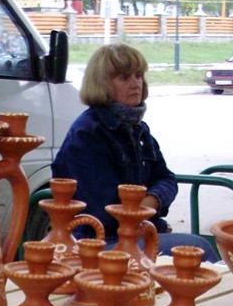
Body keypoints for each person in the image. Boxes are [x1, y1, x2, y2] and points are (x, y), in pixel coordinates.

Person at [52, 43, 220, 262]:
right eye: (124, 78)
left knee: (200, 249)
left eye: (139, 75)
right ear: (102, 83)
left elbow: (167, 179)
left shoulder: (138, 129)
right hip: (99, 242)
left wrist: (150, 202)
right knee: (198, 248)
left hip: (140, 232)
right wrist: (143, 211)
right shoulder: (88, 133)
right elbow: (103, 211)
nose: (135, 83)